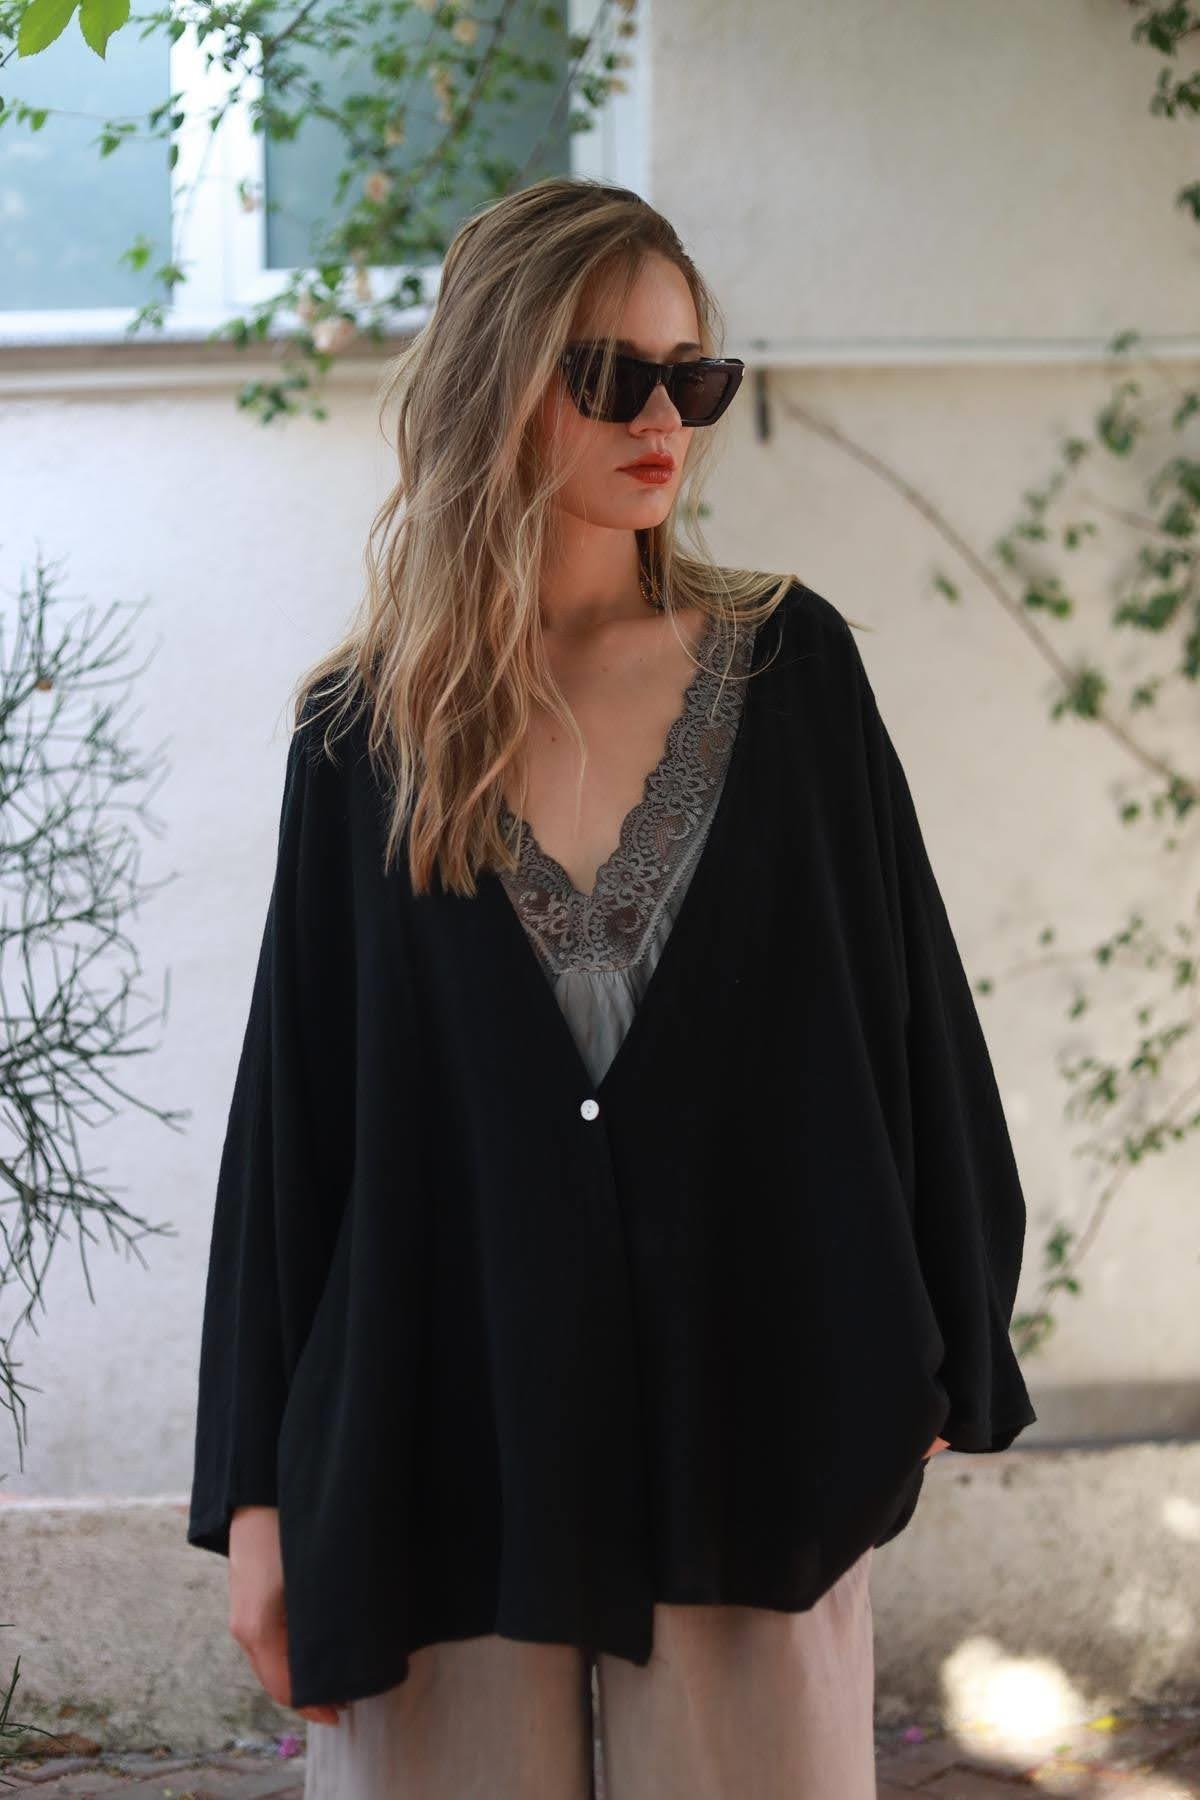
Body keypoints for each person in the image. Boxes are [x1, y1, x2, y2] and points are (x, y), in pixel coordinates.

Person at [187, 176, 1036, 1799]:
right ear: (495, 378)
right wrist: (255, 1501)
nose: (663, 421)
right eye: (610, 374)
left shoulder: (790, 671)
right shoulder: (365, 735)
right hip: (435, 1431)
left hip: (755, 1409)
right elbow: (292, 1132)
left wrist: (945, 1336)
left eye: (692, 377)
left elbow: (914, 1015)